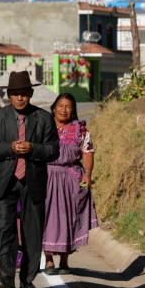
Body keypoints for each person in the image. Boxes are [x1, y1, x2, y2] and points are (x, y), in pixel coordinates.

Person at [0, 71, 60, 288]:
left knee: (32, 232)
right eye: (15, 94)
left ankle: (27, 280)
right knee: (4, 229)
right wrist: (10, 148)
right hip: (6, 182)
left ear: (30, 94)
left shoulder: (43, 118)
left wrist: (33, 148)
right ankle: (6, 279)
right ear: (9, 95)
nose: (19, 98)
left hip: (33, 181)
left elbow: (54, 150)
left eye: (24, 93)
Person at [43, 93, 100, 275]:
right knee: (47, 216)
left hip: (72, 178)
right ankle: (49, 260)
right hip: (47, 176)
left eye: (68, 107)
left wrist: (87, 175)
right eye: (60, 106)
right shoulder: (44, 127)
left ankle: (65, 260)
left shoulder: (80, 129)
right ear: (54, 108)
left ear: (73, 110)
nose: (64, 110)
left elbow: (88, 151)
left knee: (70, 216)